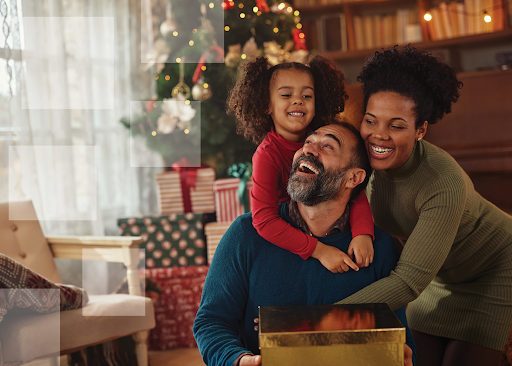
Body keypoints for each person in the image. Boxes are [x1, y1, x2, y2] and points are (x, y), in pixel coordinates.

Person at [335, 45, 512, 366]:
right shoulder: (361, 163)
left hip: (494, 271)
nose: (379, 136)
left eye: (397, 125)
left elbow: (408, 281)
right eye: (371, 121)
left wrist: (324, 315)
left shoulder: (443, 182)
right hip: (435, 278)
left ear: (420, 131)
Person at [193, 122, 417, 366]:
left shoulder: (378, 247)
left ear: (354, 177)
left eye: (328, 146)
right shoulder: (245, 234)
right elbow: (211, 322)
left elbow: (401, 340)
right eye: (308, 141)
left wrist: (402, 357)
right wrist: (237, 359)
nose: (308, 149)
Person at [226, 55, 375, 273]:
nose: (298, 100)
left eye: (307, 95)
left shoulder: (326, 136)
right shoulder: (266, 155)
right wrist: (320, 251)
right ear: (267, 105)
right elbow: (264, 220)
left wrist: (363, 232)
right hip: (290, 235)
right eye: (286, 94)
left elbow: (353, 188)